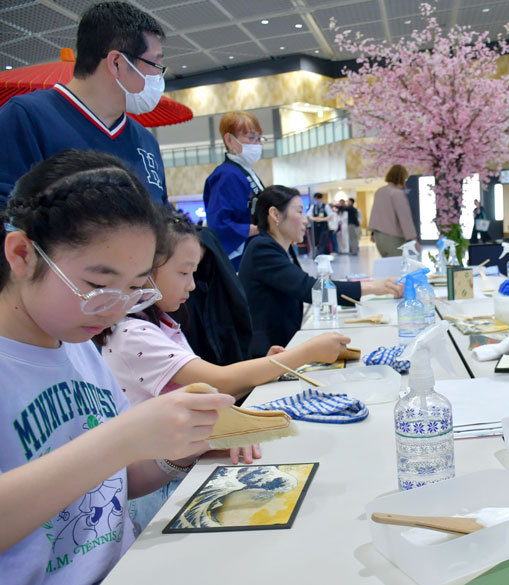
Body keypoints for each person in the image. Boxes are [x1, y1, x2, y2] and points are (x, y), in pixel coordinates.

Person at [0, 149, 234, 581]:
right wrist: (122, 438)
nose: (116, 310)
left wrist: (179, 452)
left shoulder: (77, 342)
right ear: (22, 255)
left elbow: (114, 479)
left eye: (134, 289)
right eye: (98, 285)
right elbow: (110, 451)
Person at [98, 206, 348, 529]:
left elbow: (211, 388)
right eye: (183, 272)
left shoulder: (161, 325)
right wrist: (303, 354)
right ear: (147, 268)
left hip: (180, 468)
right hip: (160, 491)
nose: (191, 285)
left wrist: (270, 365)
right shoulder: (133, 335)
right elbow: (222, 382)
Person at [0, 1, 169, 207]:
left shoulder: (145, 141)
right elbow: (7, 216)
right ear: (117, 63)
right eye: (155, 64)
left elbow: (162, 216)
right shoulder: (26, 118)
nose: (158, 76)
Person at [239, 186, 403, 355]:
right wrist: (373, 288)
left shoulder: (279, 248)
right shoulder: (261, 249)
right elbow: (309, 288)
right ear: (275, 214)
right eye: (300, 212)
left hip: (283, 344)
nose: (305, 220)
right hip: (267, 352)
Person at [203, 111, 264, 270]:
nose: (256, 144)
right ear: (229, 140)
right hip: (240, 259)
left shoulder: (245, 171)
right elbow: (219, 224)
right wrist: (262, 229)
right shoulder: (226, 175)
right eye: (251, 138)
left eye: (259, 139)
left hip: (253, 253)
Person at [368, 165, 419, 257]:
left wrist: (372, 233)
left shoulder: (380, 191)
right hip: (393, 237)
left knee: (388, 266)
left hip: (379, 236)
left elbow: (375, 213)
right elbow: (405, 217)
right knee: (397, 266)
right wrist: (413, 238)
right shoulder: (397, 193)